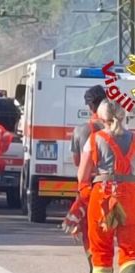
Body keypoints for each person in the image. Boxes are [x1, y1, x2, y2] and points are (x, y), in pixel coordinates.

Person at [71, 99, 135, 273]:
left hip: (103, 197)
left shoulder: (94, 139)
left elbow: (82, 177)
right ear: (123, 116)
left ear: (101, 118)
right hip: (130, 196)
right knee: (130, 251)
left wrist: (83, 203)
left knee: (101, 250)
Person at [64, 85, 106, 271]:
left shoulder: (81, 130)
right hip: (118, 187)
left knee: (90, 231)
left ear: (90, 106)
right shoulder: (121, 131)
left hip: (89, 188)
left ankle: (94, 266)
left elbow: (77, 161)